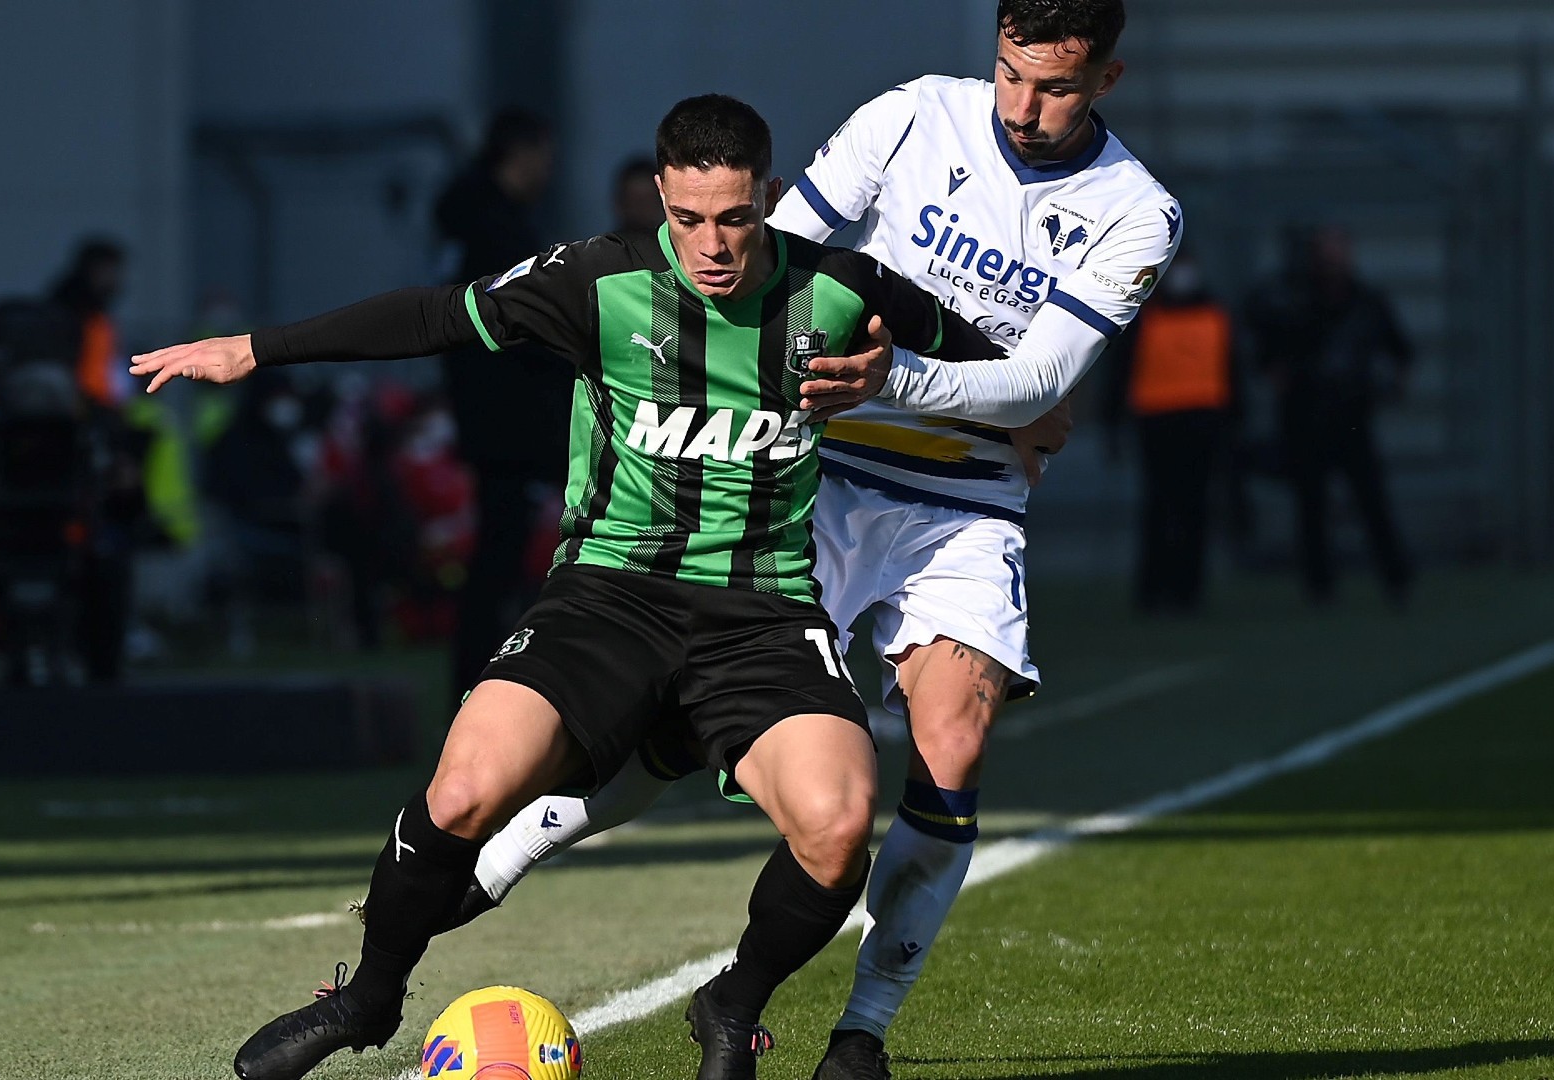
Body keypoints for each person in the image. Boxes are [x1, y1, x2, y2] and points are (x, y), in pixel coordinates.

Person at [133, 93, 1076, 1080]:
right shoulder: (596, 280)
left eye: (737, 217)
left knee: (838, 826)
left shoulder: (840, 287)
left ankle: (732, 1001)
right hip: (608, 598)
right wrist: (257, 348)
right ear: (662, 199)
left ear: (772, 197)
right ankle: (368, 998)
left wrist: (1031, 420)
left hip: (763, 614)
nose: (713, 244)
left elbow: (997, 365)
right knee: (460, 794)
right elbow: (434, 316)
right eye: (689, 218)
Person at [456, 4, 1183, 1077]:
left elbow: (1039, 382)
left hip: (966, 504)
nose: (1023, 108)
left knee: (954, 742)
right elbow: (776, 255)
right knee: (670, 740)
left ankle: (861, 1032)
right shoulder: (911, 117)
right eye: (1011, 76)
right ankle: (487, 863)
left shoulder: (1138, 210)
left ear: (1108, 79)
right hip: (818, 479)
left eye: (1057, 88)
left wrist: (901, 379)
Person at [433, 110, 573, 699]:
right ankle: (491, 683)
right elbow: (520, 325)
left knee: (503, 556)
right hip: (512, 423)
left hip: (496, 420)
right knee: (508, 560)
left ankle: (488, 683)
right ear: (524, 151)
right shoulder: (495, 231)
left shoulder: (474, 223)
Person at [1250, 225, 1413, 606]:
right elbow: (1266, 348)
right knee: (1312, 504)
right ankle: (1320, 586)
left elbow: (1400, 349)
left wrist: (1393, 385)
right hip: (1306, 416)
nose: (1333, 258)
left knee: (1371, 500)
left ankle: (1396, 578)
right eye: (1326, 250)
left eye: (1338, 249)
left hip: (1352, 415)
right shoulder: (1294, 300)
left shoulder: (1366, 301)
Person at [1106, 251, 1232, 613]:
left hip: (1201, 423)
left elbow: (1230, 372)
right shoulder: (1145, 315)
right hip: (1156, 424)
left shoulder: (1214, 314)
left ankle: (1187, 592)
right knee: (1160, 508)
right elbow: (1121, 374)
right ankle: (1154, 590)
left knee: (1193, 509)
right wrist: (1114, 426)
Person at [612, 154, 666, 231]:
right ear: (620, 203)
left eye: (648, 200)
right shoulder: (604, 242)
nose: (642, 207)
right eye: (634, 200)